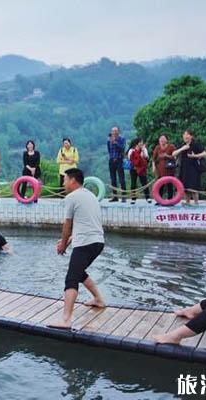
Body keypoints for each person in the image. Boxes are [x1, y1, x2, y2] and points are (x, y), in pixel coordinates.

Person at [49, 168, 105, 329]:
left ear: (73, 180)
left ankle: (66, 320)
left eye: (65, 179)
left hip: (85, 243)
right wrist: (68, 241)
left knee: (71, 278)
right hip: (97, 242)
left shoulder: (71, 197)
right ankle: (98, 299)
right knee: (79, 272)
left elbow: (68, 224)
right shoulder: (90, 195)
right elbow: (86, 223)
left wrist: (63, 244)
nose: (63, 183)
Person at [172, 129, 206, 205]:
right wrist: (182, 148)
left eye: (187, 134)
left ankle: (196, 203)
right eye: (184, 134)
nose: (185, 136)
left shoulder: (196, 144)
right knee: (185, 187)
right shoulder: (182, 144)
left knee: (194, 187)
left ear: (191, 136)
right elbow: (173, 154)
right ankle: (187, 202)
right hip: (184, 169)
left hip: (194, 169)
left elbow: (205, 153)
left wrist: (195, 156)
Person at [152, 134, 176, 200]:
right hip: (160, 171)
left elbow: (175, 157)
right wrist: (153, 167)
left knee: (169, 185)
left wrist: (167, 156)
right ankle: (159, 200)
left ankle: (170, 200)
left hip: (169, 170)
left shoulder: (171, 146)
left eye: (163, 138)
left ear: (166, 140)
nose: (162, 140)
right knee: (160, 185)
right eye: (160, 139)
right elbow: (153, 159)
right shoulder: (157, 147)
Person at [128, 138, 151, 204]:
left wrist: (143, 150)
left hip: (141, 169)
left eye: (142, 142)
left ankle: (147, 197)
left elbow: (147, 158)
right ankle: (133, 198)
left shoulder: (144, 149)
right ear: (137, 143)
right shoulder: (131, 150)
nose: (141, 143)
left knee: (144, 182)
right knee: (133, 183)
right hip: (133, 169)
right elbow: (130, 159)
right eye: (140, 142)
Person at [107, 126, 127, 203]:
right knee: (113, 179)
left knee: (121, 179)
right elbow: (109, 150)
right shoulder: (109, 140)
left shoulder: (122, 139)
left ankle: (124, 197)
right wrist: (112, 158)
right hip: (111, 161)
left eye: (115, 131)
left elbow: (122, 149)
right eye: (113, 131)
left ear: (118, 132)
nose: (114, 133)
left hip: (119, 160)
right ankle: (115, 197)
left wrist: (115, 142)